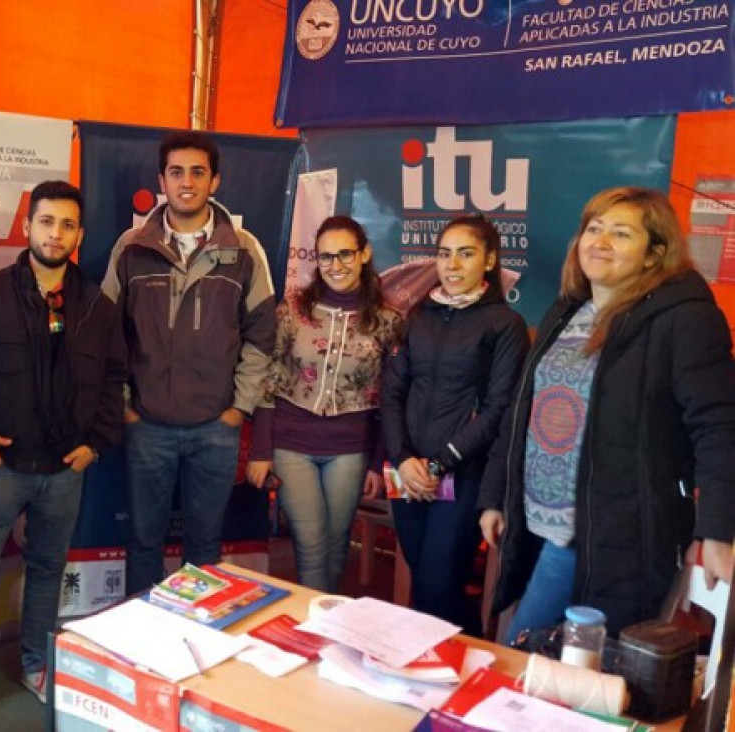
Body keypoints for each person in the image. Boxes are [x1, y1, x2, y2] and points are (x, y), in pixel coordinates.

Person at [480, 187, 735, 640]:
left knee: (529, 659)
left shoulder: (686, 319)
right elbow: (523, 411)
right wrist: (496, 495)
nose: (600, 242)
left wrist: (717, 529)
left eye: (621, 233)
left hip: (613, 530)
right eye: (593, 229)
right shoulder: (567, 310)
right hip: (536, 521)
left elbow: (719, 426)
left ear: (655, 253)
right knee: (550, 663)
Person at [0, 181, 126, 718]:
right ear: (28, 227)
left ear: (79, 235)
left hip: (66, 470)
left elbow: (114, 382)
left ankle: (38, 661)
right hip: (2, 469)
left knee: (46, 570)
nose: (55, 233)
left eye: (67, 225)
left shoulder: (98, 309)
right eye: (46, 222)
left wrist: (97, 442)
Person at [101, 130, 276, 595]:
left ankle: (199, 642)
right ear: (162, 179)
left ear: (214, 181)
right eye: (176, 172)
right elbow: (105, 335)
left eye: (198, 172)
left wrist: (238, 409)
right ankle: (142, 646)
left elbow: (262, 335)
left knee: (204, 545)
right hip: (148, 426)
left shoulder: (244, 250)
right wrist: (125, 407)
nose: (187, 182)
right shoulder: (132, 248)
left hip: (215, 429)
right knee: (143, 543)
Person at [381, 214, 529, 633]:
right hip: (408, 472)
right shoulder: (418, 315)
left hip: (463, 474)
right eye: (445, 254)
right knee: (429, 585)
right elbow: (392, 392)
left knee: (436, 583)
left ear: (489, 260)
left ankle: (456, 670)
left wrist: (439, 463)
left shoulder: (504, 324)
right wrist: (403, 458)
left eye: (466, 254)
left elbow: (500, 408)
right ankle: (458, 660)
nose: (452, 265)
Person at [246, 216, 401, 592]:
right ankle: (315, 632)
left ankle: (322, 622)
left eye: (345, 254)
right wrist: (260, 450)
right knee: (311, 543)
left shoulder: (387, 320)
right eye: (325, 257)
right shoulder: (293, 311)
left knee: (336, 546)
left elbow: (390, 398)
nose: (335, 265)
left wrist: (378, 462)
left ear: (364, 254)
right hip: (291, 443)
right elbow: (269, 381)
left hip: (349, 448)